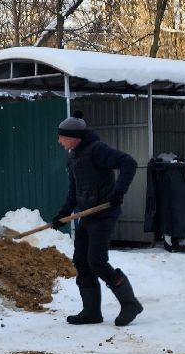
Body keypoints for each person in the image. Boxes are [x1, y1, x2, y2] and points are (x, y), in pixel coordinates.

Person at [51, 115, 143, 327]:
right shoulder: (73, 157)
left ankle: (130, 304)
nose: (59, 141)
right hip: (86, 214)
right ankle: (91, 311)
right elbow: (74, 191)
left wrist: (118, 192)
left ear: (75, 137)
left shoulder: (97, 150)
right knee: (81, 261)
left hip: (104, 213)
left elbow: (128, 162)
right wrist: (62, 215)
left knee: (97, 260)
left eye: (62, 137)